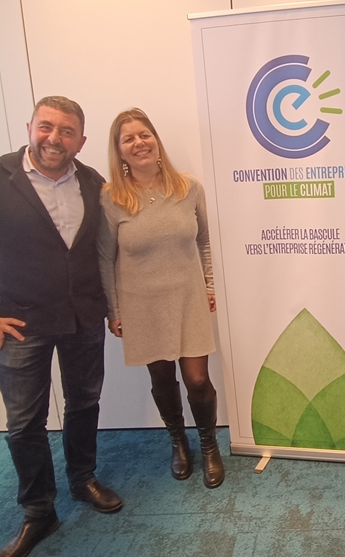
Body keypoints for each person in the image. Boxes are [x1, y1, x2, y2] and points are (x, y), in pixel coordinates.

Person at [0, 96, 123, 557]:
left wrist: (112, 307)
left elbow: (102, 253)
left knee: (85, 402)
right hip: (19, 325)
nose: (55, 138)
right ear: (30, 127)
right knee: (24, 423)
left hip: (83, 319)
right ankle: (39, 511)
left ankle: (82, 480)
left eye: (67, 131)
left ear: (81, 140)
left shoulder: (94, 183)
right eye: (47, 127)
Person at [98, 108, 223, 489]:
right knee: (162, 379)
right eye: (128, 138)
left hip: (187, 297)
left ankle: (209, 445)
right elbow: (105, 258)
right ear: (119, 151)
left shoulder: (189, 188)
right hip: (140, 303)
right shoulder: (110, 198)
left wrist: (210, 285)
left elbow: (202, 240)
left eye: (144, 134)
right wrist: (114, 310)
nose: (138, 143)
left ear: (156, 139)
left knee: (197, 380)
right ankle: (178, 442)